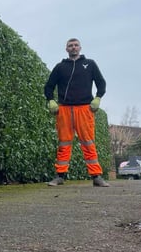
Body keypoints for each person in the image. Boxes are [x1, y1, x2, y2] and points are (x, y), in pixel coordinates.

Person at [44, 37, 110, 187]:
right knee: (64, 143)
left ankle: (96, 177)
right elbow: (48, 86)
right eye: (70, 45)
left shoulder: (90, 64)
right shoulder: (60, 67)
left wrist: (98, 98)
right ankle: (60, 176)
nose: (73, 47)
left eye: (76, 45)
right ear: (66, 49)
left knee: (88, 143)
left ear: (80, 48)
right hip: (64, 110)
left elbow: (101, 83)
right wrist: (51, 100)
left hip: (84, 109)